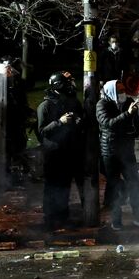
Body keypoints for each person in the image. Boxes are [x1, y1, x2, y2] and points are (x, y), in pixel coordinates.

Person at [96, 79, 139, 230]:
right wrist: (127, 114)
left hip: (127, 150)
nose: (122, 93)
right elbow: (108, 123)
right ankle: (116, 220)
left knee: (134, 184)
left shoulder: (127, 101)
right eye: (119, 90)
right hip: (110, 151)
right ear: (111, 91)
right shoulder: (102, 104)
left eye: (123, 89)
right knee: (114, 186)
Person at [37, 72, 85, 231]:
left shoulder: (69, 101)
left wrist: (77, 120)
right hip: (53, 152)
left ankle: (63, 217)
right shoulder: (45, 106)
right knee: (52, 186)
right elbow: (42, 131)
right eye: (65, 83)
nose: (69, 86)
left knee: (64, 186)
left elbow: (80, 116)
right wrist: (59, 122)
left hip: (68, 151)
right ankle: (49, 219)